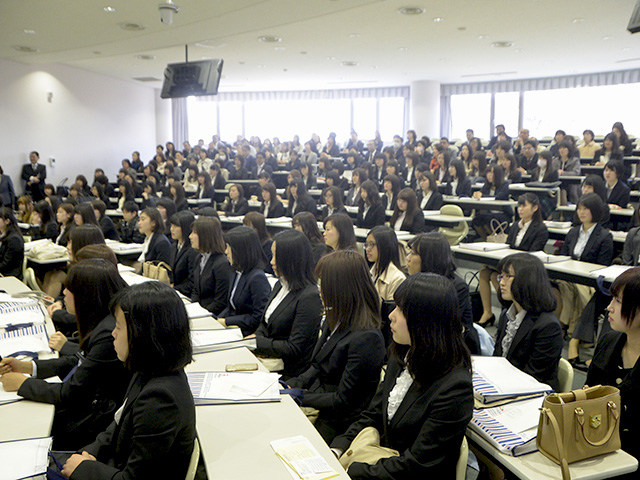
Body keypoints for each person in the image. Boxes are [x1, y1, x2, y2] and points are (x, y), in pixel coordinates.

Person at [331, 273, 473, 478]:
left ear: (425, 321)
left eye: (401, 310)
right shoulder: (404, 355)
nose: (391, 315)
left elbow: (417, 464)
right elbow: (373, 414)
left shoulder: (454, 387)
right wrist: (337, 450)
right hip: (383, 466)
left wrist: (353, 471)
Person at [57, 282, 195, 479]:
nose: (113, 333)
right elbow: (116, 426)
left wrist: (85, 468)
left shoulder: (161, 399)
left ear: (144, 334)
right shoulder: (147, 370)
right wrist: (86, 456)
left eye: (119, 328)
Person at [0, 259, 129, 450]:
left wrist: (23, 384)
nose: (64, 294)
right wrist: (28, 367)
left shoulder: (106, 333)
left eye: (69, 289)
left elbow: (72, 392)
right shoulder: (102, 322)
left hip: (91, 427)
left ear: (86, 295)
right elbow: (78, 361)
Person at [288, 251, 386, 443]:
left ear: (340, 288)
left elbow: (344, 401)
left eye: (323, 284)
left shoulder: (367, 338)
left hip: (337, 424)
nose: (319, 290)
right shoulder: (336, 317)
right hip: (318, 405)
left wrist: (300, 396)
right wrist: (294, 384)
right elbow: (316, 365)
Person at [249, 230, 323, 378]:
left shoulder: (309, 296)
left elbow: (294, 348)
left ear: (291, 259)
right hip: (265, 358)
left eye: (276, 256)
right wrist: (255, 339)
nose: (272, 262)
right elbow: (264, 323)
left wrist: (257, 342)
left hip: (287, 371)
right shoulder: (280, 284)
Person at [586, 267, 640, 464]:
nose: (610, 307)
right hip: (594, 443)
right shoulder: (609, 341)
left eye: (618, 301)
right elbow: (587, 395)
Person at [493, 253, 564, 390]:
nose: (501, 282)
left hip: (531, 395)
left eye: (508, 276)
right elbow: (497, 358)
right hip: (504, 386)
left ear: (527, 279)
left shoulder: (548, 326)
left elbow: (533, 378)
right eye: (501, 276)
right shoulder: (506, 315)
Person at [477, 193, 549, 326]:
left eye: (524, 206)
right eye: (519, 206)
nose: (520, 209)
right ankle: (487, 312)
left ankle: (512, 310)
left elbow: (532, 254)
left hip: (525, 268)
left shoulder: (540, 228)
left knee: (495, 276)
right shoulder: (515, 225)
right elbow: (508, 246)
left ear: (535, 208)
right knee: (484, 272)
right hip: (511, 265)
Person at [407, 232, 480, 354]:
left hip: (453, 349)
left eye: (413, 253)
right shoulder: (413, 282)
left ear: (429, 258)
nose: (408, 258)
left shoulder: (456, 287)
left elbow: (441, 327)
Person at [217, 226, 271, 335]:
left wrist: (226, 321)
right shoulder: (235, 270)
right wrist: (216, 320)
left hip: (245, 332)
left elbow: (257, 317)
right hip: (231, 327)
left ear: (241, 251)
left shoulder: (257, 278)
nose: (226, 251)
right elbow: (231, 307)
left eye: (229, 247)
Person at [190, 217, 232, 315]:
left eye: (194, 233)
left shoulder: (222, 264)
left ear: (205, 236)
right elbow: (196, 290)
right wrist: (192, 308)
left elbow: (220, 302)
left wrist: (201, 314)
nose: (190, 236)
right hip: (199, 311)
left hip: (212, 314)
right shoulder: (199, 257)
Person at [365, 226, 405, 301]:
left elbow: (390, 309)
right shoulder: (370, 271)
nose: (368, 249)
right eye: (367, 244)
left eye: (372, 244)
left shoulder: (397, 278)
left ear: (384, 246)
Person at [169, 211, 198, 297]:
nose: (171, 229)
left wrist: (173, 289)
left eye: (176, 226)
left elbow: (192, 283)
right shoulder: (174, 246)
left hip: (185, 295)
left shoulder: (193, 250)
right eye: (171, 225)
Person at [0, 207, 25, 279]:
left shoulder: (14, 239)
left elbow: (6, 264)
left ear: (7, 221)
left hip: (9, 275)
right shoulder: (3, 234)